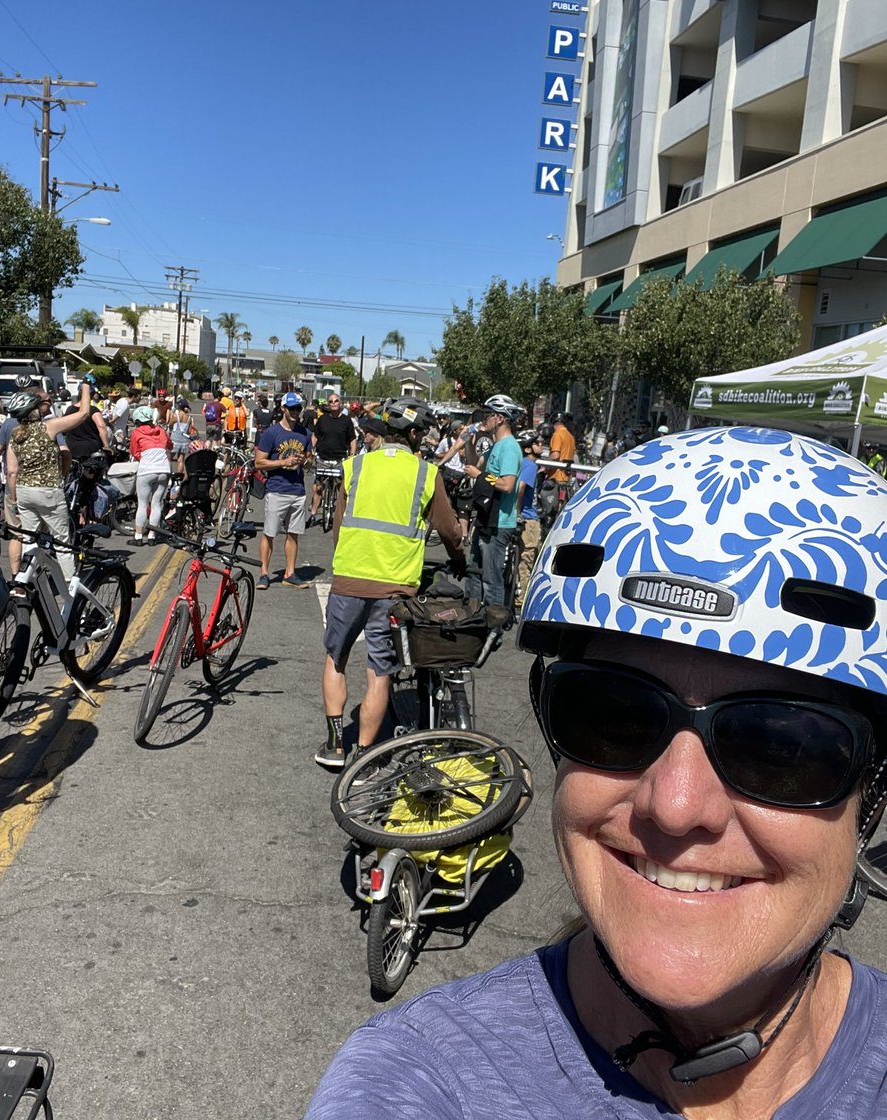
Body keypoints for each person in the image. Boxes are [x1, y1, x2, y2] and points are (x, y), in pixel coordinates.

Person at [307, 426, 887, 1118]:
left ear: (874, 789)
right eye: (612, 716)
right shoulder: (422, 1080)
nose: (675, 806)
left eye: (780, 747)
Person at [317, 397, 465, 770]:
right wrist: (460, 560)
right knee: (379, 670)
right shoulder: (426, 474)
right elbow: (449, 532)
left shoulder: (356, 467)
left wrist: (348, 563)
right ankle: (366, 754)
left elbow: (338, 528)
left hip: (349, 579)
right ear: (413, 434)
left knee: (336, 658)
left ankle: (336, 745)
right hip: (396, 586)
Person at [4, 383, 92, 582]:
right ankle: (70, 584)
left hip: (24, 492)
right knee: (62, 542)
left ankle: (24, 582)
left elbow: (11, 471)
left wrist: (14, 498)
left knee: (29, 540)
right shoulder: (48, 427)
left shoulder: (15, 435)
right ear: (35, 410)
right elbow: (84, 414)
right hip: (48, 491)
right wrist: (86, 387)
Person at [463, 394, 525, 605]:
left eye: (487, 415)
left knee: (491, 579)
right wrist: (467, 443)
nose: (483, 420)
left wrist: (480, 476)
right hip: (485, 517)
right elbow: (475, 464)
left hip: (499, 522)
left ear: (499, 418)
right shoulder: (494, 446)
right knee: (473, 572)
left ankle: (494, 629)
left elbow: (507, 485)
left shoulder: (509, 447)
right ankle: (472, 619)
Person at [254, 391, 312, 589]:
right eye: (292, 408)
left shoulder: (305, 433)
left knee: (293, 533)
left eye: (299, 408)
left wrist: (305, 461)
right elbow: (259, 463)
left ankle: (290, 573)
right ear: (283, 409)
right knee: (269, 533)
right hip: (277, 489)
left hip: (298, 490)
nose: (296, 412)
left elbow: (310, 460)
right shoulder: (271, 433)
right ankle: (264, 573)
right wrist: (282, 462)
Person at [309, 393, 356, 525]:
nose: (333, 403)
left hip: (340, 459)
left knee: (342, 488)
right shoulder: (323, 419)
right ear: (328, 404)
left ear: (340, 403)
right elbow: (315, 436)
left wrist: (352, 455)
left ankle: (342, 516)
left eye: (336, 401)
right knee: (318, 488)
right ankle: (313, 513)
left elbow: (352, 439)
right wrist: (312, 450)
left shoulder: (347, 421)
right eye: (331, 402)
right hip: (323, 458)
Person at [128, 405, 172, 546]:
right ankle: (152, 536)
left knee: (142, 504)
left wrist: (144, 457)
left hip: (147, 470)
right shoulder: (161, 430)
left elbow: (135, 452)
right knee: (157, 504)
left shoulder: (136, 432)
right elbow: (170, 446)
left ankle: (138, 537)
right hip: (164, 469)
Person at [515, 428, 543, 598]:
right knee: (527, 556)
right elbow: (521, 487)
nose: (542, 445)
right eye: (537, 443)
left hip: (526, 516)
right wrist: (519, 512)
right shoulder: (530, 465)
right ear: (528, 448)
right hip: (528, 518)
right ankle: (522, 596)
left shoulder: (524, 464)